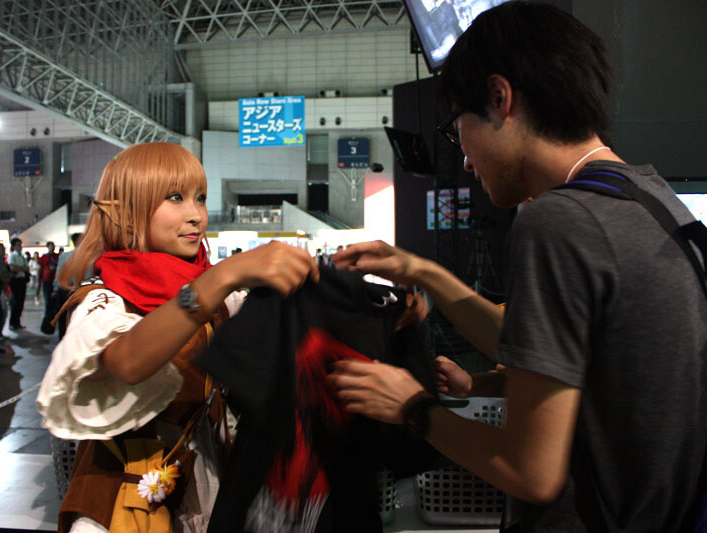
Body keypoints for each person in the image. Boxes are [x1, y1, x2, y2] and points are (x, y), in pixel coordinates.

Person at [328, 3, 706, 532]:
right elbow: (554, 345)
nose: (463, 159)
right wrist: (424, 272)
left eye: (458, 129)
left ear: (501, 99)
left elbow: (531, 471)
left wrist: (413, 408)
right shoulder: (647, 197)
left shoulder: (558, 221)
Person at [36, 142, 318, 533]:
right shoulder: (103, 299)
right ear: (130, 207)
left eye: (200, 198)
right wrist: (219, 278)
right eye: (175, 198)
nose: (196, 216)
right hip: (120, 501)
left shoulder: (218, 293)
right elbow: (127, 361)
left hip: (208, 485)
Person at [7, 238, 30, 330]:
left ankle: (17, 322)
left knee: (20, 302)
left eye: (20, 245)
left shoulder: (22, 257)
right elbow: (12, 268)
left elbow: (27, 268)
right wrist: (22, 268)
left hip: (22, 280)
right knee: (15, 302)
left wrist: (21, 268)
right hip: (15, 281)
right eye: (18, 245)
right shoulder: (12, 256)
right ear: (13, 246)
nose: (20, 247)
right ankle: (13, 322)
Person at [38, 241, 58, 315]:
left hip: (56, 281)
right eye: (51, 246)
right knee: (48, 300)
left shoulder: (58, 256)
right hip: (47, 281)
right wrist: (38, 280)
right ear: (48, 247)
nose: (52, 247)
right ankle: (48, 316)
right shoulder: (44, 257)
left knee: (56, 301)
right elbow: (40, 269)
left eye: (53, 246)